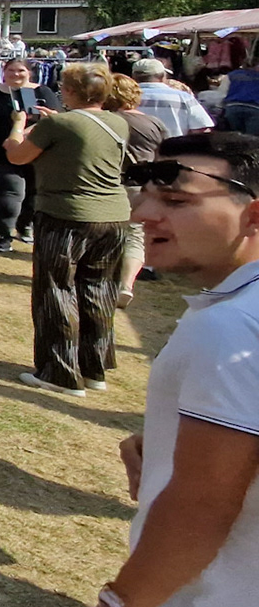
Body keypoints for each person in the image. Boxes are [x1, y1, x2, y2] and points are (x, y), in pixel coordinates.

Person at [100, 133, 259, 607]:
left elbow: (201, 506)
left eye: (174, 200)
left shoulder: (231, 325)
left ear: (254, 216)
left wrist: (122, 601)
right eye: (145, 195)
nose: (141, 214)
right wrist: (172, 435)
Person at [1, 62, 131, 397]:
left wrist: (18, 127)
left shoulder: (58, 124)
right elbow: (80, 140)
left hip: (66, 214)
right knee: (99, 290)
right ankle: (93, 367)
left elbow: (18, 156)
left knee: (56, 291)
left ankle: (59, 372)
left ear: (71, 91)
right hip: (113, 216)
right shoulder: (117, 121)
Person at [0, 59, 63, 252]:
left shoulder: (42, 92)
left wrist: (24, 132)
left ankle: (25, 226)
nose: (15, 74)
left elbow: (55, 120)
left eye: (21, 70)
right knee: (7, 192)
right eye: (11, 70)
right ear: (4, 72)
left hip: (35, 152)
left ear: (29, 73)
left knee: (32, 194)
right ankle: (3, 235)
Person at [104, 73, 168, 308]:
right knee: (136, 235)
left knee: (103, 232)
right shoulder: (154, 123)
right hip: (142, 185)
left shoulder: (105, 120)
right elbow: (162, 157)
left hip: (109, 182)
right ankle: (126, 285)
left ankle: (100, 278)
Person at [133, 58, 215, 139]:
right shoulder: (184, 97)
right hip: (175, 146)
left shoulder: (128, 98)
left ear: (133, 77)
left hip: (136, 147)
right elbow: (202, 129)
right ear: (162, 76)